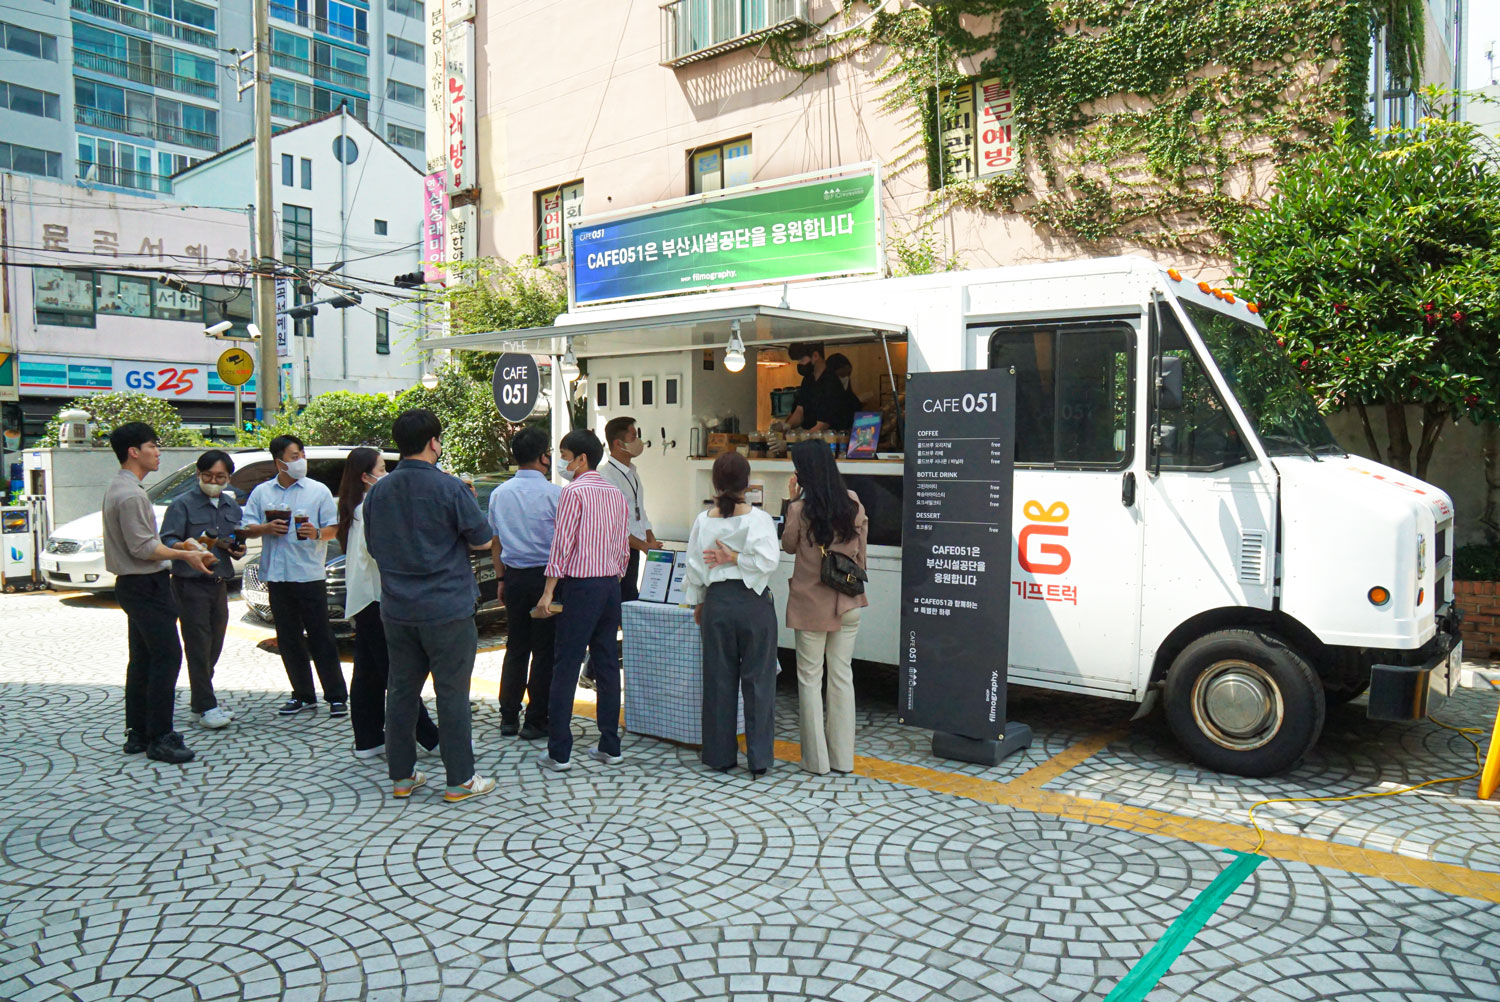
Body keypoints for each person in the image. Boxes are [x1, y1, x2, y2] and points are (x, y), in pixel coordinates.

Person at [364, 408, 496, 802]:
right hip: (447, 608)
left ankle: (402, 776)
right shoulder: (451, 487)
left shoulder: (379, 492)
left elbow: (374, 547)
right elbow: (482, 539)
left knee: (401, 691)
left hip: (398, 608)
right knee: (451, 693)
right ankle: (459, 780)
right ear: (433, 442)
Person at [102, 422, 213, 763]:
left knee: (144, 660)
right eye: (153, 445)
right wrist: (186, 554)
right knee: (167, 657)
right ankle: (161, 737)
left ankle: (138, 732)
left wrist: (179, 548)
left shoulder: (120, 488)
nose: (158, 451)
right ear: (134, 451)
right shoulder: (131, 494)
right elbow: (144, 548)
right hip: (146, 585)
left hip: (134, 585)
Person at [533, 429, 629, 772]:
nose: (561, 461)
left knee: (567, 663)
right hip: (609, 585)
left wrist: (548, 591)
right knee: (605, 663)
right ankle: (610, 744)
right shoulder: (616, 493)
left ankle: (559, 750)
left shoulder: (573, 492)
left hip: (580, 586)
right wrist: (614, 575)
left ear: (581, 459)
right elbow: (622, 546)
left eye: (565, 454)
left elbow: (562, 545)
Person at [336, 447, 440, 762]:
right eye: (382, 468)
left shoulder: (357, 506)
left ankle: (367, 739)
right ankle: (434, 739)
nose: (388, 474)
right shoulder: (371, 506)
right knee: (398, 676)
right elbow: (380, 551)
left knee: (368, 673)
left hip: (364, 599)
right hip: (377, 600)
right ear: (366, 476)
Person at [684, 452, 782, 777]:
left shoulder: (703, 520)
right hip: (753, 603)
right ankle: (759, 758)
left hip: (717, 604)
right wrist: (738, 557)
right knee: (759, 683)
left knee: (717, 680)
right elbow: (768, 562)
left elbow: (694, 567)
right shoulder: (759, 519)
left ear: (715, 482)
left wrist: (698, 600)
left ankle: (719, 755)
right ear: (746, 483)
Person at [241, 435, 348, 717]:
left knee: (321, 635)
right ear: (279, 462)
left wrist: (315, 533)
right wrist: (264, 528)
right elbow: (245, 527)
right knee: (287, 638)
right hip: (276, 575)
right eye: (294, 456)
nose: (301, 460)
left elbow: (334, 528)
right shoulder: (263, 493)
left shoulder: (318, 491)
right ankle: (302, 694)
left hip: (309, 574)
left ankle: (336, 696)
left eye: (302, 454)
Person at [781, 440, 869, 775]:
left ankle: (816, 761)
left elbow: (788, 546)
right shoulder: (853, 503)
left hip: (811, 605)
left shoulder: (799, 509)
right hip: (848, 600)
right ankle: (843, 760)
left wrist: (792, 499)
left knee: (809, 678)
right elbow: (861, 554)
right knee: (842, 677)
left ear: (803, 472)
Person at [160, 449, 245, 730]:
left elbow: (233, 540)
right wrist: (185, 546)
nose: (214, 480)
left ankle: (199, 703)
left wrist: (236, 549)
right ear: (198, 474)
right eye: (208, 475)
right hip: (189, 583)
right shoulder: (182, 505)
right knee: (198, 645)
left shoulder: (231, 507)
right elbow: (167, 538)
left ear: (228, 478)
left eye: (220, 476)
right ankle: (208, 707)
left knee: (214, 645)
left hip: (219, 582)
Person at [485, 426, 560, 740]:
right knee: (544, 650)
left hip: (514, 577)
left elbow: (496, 543)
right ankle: (535, 719)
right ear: (544, 457)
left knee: (516, 647)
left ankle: (507, 717)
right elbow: (564, 543)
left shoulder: (500, 493)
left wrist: (501, 578)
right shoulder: (555, 493)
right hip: (547, 580)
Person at [598, 415, 659, 603]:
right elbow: (614, 524)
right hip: (617, 551)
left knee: (631, 594)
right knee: (622, 597)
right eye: (633, 436)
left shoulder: (632, 471)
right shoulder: (607, 476)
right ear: (618, 443)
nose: (638, 441)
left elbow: (639, 510)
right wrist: (644, 546)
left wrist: (650, 538)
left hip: (634, 546)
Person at [821, 352, 862, 433]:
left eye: (848, 374)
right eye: (842, 375)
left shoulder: (851, 398)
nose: (845, 378)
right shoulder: (823, 397)